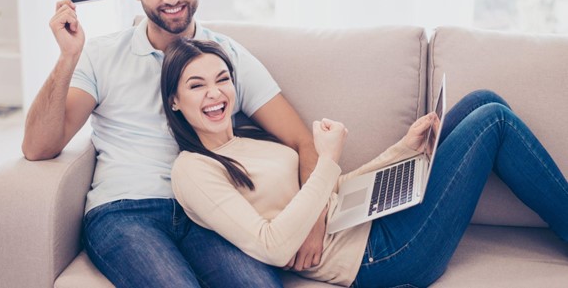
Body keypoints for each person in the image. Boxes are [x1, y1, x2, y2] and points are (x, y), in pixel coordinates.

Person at [21, 0, 327, 288]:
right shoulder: (101, 56)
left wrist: (314, 223)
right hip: (125, 212)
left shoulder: (227, 57)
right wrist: (67, 57)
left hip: (209, 212)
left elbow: (303, 141)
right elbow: (38, 147)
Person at [162, 38, 568, 287]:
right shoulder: (194, 170)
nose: (215, 93)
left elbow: (335, 194)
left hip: (369, 218)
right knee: (493, 121)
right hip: (379, 257)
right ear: (175, 102)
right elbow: (271, 245)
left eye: (222, 79)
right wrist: (327, 160)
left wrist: (404, 149)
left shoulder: (248, 139)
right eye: (196, 86)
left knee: (482, 100)